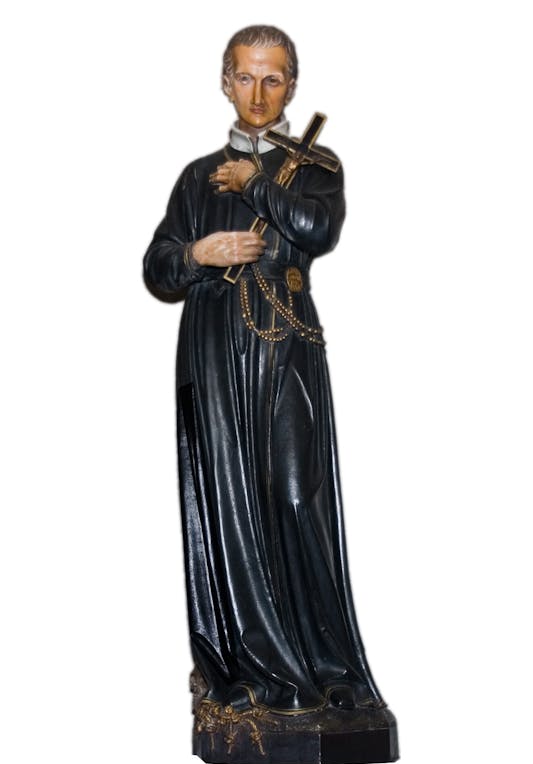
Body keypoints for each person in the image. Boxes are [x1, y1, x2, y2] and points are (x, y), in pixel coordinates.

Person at [143, 24, 386, 715]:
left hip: (285, 342)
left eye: (272, 78)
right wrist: (199, 254)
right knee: (228, 501)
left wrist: (256, 185)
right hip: (213, 347)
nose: (257, 93)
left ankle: (331, 669)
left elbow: (316, 230)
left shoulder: (316, 165)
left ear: (292, 85)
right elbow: (158, 267)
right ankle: (251, 671)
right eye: (245, 77)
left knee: (296, 495)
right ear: (225, 82)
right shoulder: (196, 175)